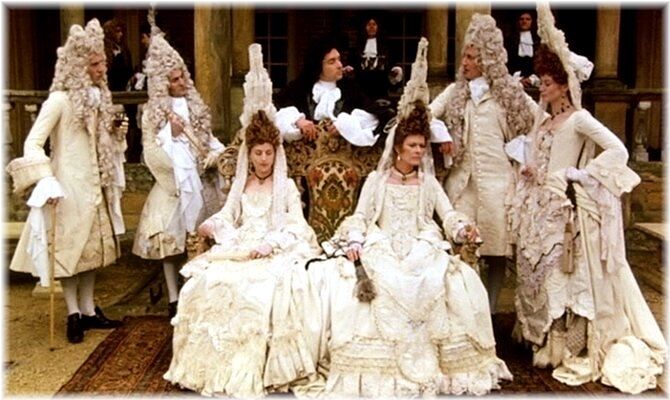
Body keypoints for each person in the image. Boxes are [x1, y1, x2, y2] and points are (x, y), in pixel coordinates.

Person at [300, 38, 512, 397]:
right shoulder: (377, 180)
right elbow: (361, 216)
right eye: (412, 146)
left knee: (438, 278)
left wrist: (462, 228)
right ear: (398, 148)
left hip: (421, 243)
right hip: (383, 244)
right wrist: (356, 239)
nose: (418, 151)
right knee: (384, 281)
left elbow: (447, 214)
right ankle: (383, 363)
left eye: (422, 146)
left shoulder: (428, 182)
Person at [509, 4, 666, 394]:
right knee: (532, 272)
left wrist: (582, 174)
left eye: (548, 83)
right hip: (537, 206)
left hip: (563, 208)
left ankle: (562, 346)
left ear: (564, 86)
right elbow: (540, 157)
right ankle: (538, 340)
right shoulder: (546, 120)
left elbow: (617, 150)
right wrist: (529, 169)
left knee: (560, 274)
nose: (542, 88)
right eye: (542, 82)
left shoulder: (579, 118)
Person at [163, 43, 322, 397]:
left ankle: (252, 368)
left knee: (261, 290)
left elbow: (297, 227)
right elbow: (228, 214)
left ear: (276, 154)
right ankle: (209, 366)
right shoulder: (241, 183)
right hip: (240, 245)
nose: (263, 159)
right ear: (249, 155)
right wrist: (213, 224)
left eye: (268, 153)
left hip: (272, 248)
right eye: (258, 153)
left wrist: (270, 243)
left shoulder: (286, 188)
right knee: (209, 281)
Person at [6, 19, 127, 344]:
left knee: (92, 251)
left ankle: (88, 309)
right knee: (70, 250)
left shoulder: (100, 98)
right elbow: (33, 143)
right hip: (68, 185)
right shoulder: (59, 100)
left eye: (102, 62)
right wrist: (46, 181)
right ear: (80, 67)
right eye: (95, 64)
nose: (102, 68)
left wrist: (116, 133)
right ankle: (72, 312)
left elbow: (102, 143)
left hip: (95, 184)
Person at [429, 14, 537, 314]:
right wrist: (441, 133)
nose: (464, 63)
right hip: (462, 183)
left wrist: (520, 151)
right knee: (461, 245)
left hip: (498, 184)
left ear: (487, 61)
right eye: (464, 56)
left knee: (496, 250)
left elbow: (540, 122)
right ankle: (466, 309)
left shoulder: (509, 93)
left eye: (472, 58)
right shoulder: (455, 92)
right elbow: (425, 115)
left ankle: (488, 310)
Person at [131, 21, 225, 318]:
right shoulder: (153, 113)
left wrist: (216, 155)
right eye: (175, 78)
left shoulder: (195, 106)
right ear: (164, 84)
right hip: (173, 186)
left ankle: (195, 293)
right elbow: (150, 152)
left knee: (200, 240)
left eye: (183, 75)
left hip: (200, 182)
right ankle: (173, 297)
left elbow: (209, 140)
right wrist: (170, 138)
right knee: (170, 245)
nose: (182, 81)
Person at [274, 36, 386, 146]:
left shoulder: (352, 91)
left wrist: (347, 125)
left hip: (344, 156)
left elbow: (375, 117)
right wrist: (297, 121)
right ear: (318, 65)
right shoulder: (299, 90)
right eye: (332, 62)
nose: (340, 65)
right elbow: (275, 111)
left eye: (339, 59)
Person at [347, 15, 404, 103]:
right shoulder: (358, 45)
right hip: (362, 84)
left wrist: (395, 69)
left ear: (378, 27)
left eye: (374, 24)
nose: (371, 27)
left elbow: (391, 63)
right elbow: (353, 63)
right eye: (369, 24)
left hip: (380, 84)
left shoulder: (385, 46)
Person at [504, 10, 541, 88]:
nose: (524, 21)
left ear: (532, 21)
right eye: (522, 19)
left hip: (534, 81)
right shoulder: (510, 41)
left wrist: (532, 79)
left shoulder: (538, 41)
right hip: (514, 81)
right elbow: (507, 63)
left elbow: (541, 63)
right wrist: (518, 79)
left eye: (528, 19)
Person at [103, 18, 133, 92]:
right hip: (109, 90)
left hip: (124, 90)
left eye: (121, 31)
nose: (121, 34)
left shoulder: (124, 50)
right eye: (117, 32)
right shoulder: (103, 50)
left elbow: (129, 70)